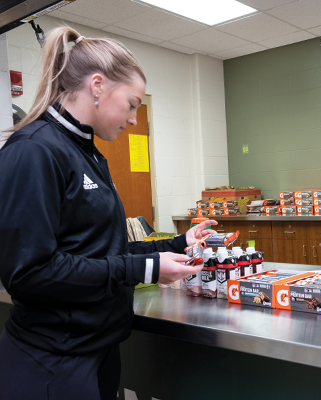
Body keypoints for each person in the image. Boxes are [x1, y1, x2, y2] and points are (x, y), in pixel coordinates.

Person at [0, 26, 216, 399]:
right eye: (132, 104)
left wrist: (179, 244)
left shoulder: (90, 154)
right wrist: (143, 269)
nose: (134, 119)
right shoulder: (34, 151)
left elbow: (100, 251)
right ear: (97, 85)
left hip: (98, 351)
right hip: (53, 360)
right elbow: (31, 272)